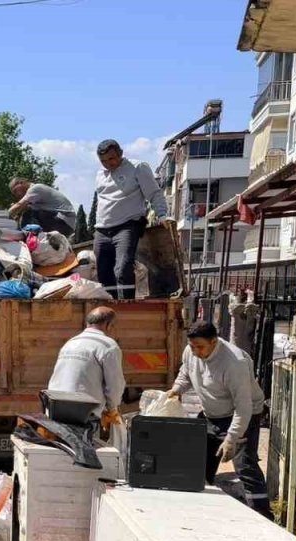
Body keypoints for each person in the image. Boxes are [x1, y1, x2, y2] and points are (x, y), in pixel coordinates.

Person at [167, 321, 271, 519]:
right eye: (192, 346)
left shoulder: (234, 363)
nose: (195, 351)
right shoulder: (191, 352)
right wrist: (175, 391)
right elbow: (186, 374)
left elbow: (244, 407)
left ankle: (262, 513)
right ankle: (203, 509)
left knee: (245, 466)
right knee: (199, 461)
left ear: (214, 342)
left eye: (200, 347)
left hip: (241, 415)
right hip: (211, 415)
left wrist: (231, 439)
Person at [92, 139, 172, 300]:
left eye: (112, 158)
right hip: (102, 229)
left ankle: (127, 304)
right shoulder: (100, 174)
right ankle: (110, 305)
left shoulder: (138, 167)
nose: (108, 163)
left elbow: (154, 194)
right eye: (104, 161)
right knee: (103, 272)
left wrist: (162, 215)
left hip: (126, 226)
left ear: (121, 153)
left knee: (122, 268)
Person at [47, 306, 126, 429]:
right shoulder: (108, 345)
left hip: (55, 407)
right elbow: (115, 384)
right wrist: (112, 409)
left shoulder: (70, 342)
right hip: (83, 412)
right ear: (108, 324)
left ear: (88, 323)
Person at [8, 178, 78, 236]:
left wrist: (6, 214)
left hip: (63, 221)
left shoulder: (35, 188)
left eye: (15, 191)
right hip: (66, 223)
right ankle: (34, 236)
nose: (16, 195)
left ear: (21, 183)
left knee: (28, 213)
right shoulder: (34, 199)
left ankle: (29, 237)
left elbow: (19, 205)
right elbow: (22, 207)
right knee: (28, 212)